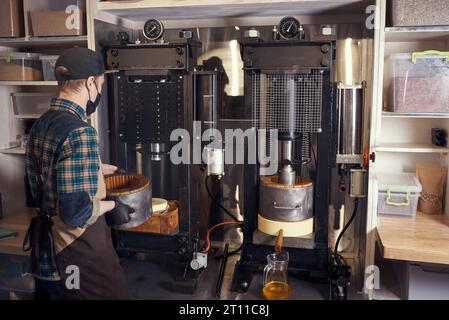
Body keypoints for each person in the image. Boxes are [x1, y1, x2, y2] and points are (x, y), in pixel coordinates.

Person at [24, 47, 133, 300]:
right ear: (90, 82)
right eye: (101, 85)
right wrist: (111, 204)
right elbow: (75, 213)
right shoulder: (80, 132)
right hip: (77, 255)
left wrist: (94, 168)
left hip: (45, 256)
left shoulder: (41, 123)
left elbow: (50, 174)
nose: (99, 92)